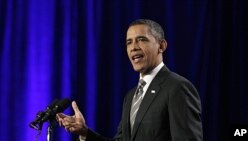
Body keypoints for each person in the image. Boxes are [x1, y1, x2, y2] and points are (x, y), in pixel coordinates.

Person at [56, 19, 203, 141]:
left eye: (141, 40)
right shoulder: (131, 96)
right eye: (129, 42)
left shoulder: (177, 88)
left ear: (161, 46)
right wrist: (85, 132)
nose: (133, 47)